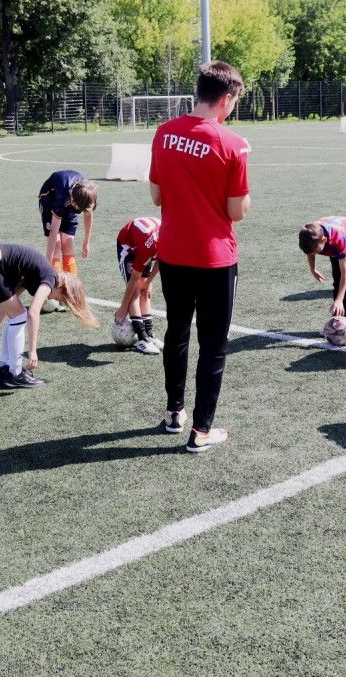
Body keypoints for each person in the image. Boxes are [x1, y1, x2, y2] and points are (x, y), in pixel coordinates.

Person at [150, 60, 251, 453]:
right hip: (215, 259)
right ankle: (202, 430)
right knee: (213, 343)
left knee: (176, 332)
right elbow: (237, 211)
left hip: (172, 252)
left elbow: (157, 197)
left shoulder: (163, 134)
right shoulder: (232, 143)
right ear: (226, 98)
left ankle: (175, 413)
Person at [0, 243, 97, 388]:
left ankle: (2, 366)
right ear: (61, 287)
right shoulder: (50, 278)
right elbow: (33, 313)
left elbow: (8, 302)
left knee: (16, 314)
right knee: (20, 315)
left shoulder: (34, 273)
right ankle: (15, 374)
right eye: (59, 298)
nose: (52, 299)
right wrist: (32, 351)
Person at [298, 216, 346, 319]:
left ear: (324, 240)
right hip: (335, 245)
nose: (314, 254)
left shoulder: (338, 240)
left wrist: (339, 300)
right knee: (337, 279)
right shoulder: (310, 237)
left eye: (316, 251)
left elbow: (345, 272)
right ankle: (337, 317)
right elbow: (310, 252)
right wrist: (313, 269)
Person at [115, 216, 163, 355]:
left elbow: (160, 261)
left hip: (144, 243)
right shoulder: (149, 248)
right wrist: (123, 307)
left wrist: (148, 283)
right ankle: (142, 338)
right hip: (129, 246)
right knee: (136, 289)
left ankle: (149, 334)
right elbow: (133, 280)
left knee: (146, 289)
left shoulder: (169, 240)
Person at [38, 170, 97, 273]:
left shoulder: (89, 195)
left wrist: (86, 241)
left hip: (70, 199)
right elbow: (54, 232)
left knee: (68, 244)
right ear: (73, 202)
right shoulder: (62, 198)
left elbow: (88, 213)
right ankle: (57, 284)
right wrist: (48, 260)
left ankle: (71, 285)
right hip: (49, 202)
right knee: (56, 246)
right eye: (79, 209)